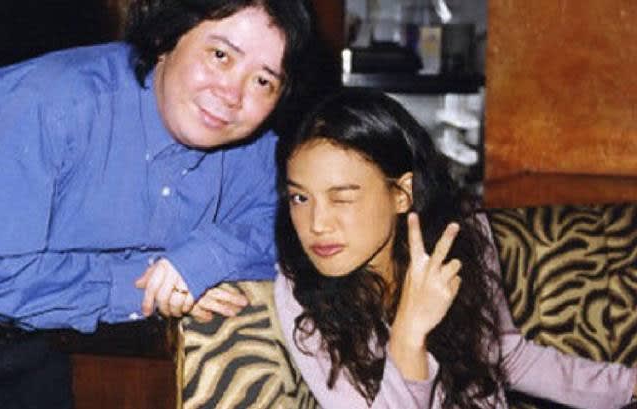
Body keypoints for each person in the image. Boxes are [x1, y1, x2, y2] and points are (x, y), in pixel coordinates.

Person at [0, 1, 314, 408]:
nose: (232, 95)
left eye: (263, 81)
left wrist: (203, 259)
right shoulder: (45, 102)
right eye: (220, 56)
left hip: (72, 348)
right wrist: (146, 280)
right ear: (166, 38)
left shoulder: (249, 146)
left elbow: (285, 222)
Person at [273, 88, 637, 408]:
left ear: (402, 193)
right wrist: (408, 336)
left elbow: (506, 356)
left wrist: (629, 387)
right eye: (300, 197)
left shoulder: (459, 236)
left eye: (341, 198)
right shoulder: (300, 292)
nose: (316, 224)